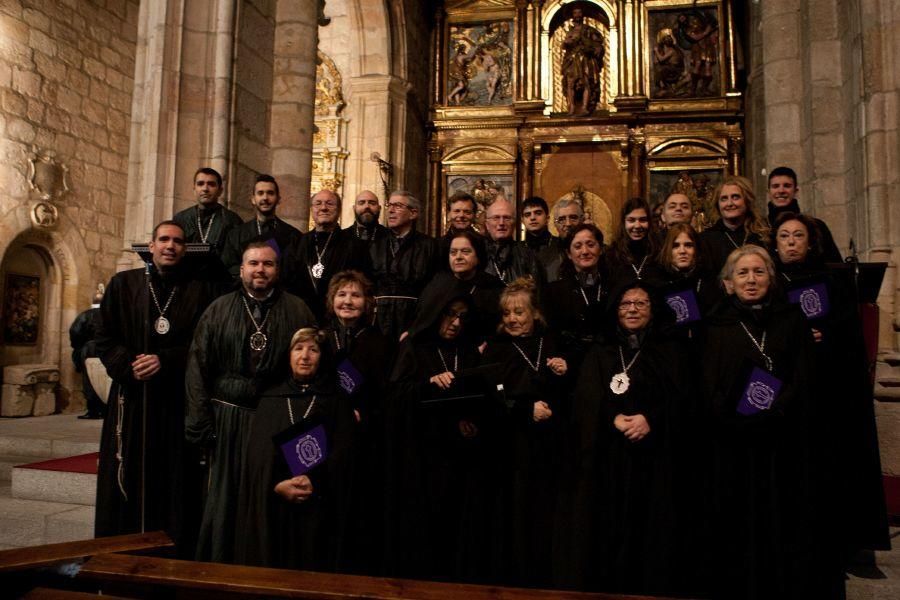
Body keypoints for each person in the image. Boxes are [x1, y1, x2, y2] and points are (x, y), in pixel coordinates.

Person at [702, 245, 832, 599]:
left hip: (783, 439)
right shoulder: (714, 325)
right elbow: (707, 383)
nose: (751, 279)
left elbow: (803, 377)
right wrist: (731, 420)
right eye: (742, 273)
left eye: (759, 272)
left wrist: (776, 411)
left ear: (771, 279)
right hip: (732, 444)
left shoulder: (792, 319)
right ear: (728, 283)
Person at [185, 241, 317, 563]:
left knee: (267, 497)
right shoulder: (218, 309)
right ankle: (219, 568)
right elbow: (198, 367)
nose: (260, 269)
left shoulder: (298, 309)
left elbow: (311, 362)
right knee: (224, 498)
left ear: (278, 270)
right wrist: (200, 423)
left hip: (274, 419)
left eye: (268, 264)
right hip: (226, 418)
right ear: (241, 269)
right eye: (254, 263)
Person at [94, 220, 215, 557]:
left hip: (175, 401)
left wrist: (166, 360)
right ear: (151, 245)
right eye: (164, 240)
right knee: (126, 478)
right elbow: (103, 337)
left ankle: (172, 558)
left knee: (174, 481)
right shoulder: (123, 285)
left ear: (184, 249)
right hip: (130, 399)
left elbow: (202, 344)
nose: (170, 246)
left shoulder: (199, 290)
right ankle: (120, 556)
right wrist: (128, 365)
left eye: (177, 241)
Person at [773, 213, 890, 562]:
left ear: (810, 242)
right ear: (775, 244)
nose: (791, 242)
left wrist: (827, 337)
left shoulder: (832, 281)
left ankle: (839, 543)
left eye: (798, 236)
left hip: (828, 389)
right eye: (784, 236)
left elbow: (850, 338)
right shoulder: (771, 283)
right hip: (787, 391)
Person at [568, 283, 695, 596]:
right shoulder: (602, 349)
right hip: (609, 458)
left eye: (641, 303)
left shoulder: (670, 349)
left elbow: (684, 398)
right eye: (625, 303)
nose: (633, 309)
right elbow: (585, 397)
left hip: (656, 460)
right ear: (615, 310)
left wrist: (651, 419)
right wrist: (610, 417)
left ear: (653, 310)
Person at [384, 293, 492, 582]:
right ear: (436, 313)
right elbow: (395, 395)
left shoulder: (469, 351)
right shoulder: (415, 345)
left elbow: (483, 396)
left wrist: (472, 421)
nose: (455, 323)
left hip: (459, 453)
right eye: (450, 315)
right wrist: (427, 383)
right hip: (421, 452)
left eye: (462, 318)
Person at [234, 327, 355, 570]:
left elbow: (345, 453)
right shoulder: (270, 400)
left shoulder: (336, 400)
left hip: (322, 507)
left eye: (313, 349)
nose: (305, 356)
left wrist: (315, 482)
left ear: (323, 356)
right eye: (298, 348)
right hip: (276, 506)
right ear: (288, 356)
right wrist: (277, 484)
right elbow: (258, 457)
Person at [482, 278, 568, 587]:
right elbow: (492, 396)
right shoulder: (494, 348)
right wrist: (524, 410)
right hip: (511, 446)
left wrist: (563, 370)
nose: (513, 319)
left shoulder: (552, 342)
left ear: (535, 314)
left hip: (549, 445)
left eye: (519, 312)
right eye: (507, 313)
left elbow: (567, 394)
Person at [321, 270, 391, 573]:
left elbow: (386, 392)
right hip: (325, 434)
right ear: (331, 300)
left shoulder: (380, 343)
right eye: (342, 295)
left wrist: (365, 412)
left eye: (355, 295)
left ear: (368, 302)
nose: (347, 301)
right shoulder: (320, 338)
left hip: (365, 439)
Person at [283, 189, 372, 319]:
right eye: (318, 204)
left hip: (339, 318)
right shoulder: (297, 244)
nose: (323, 208)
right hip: (300, 317)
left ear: (339, 210)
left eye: (330, 204)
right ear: (311, 209)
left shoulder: (355, 246)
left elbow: (363, 286)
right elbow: (286, 281)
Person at [411, 229, 505, 343]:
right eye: (453, 252)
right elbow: (422, 321)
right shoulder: (438, 283)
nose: (458, 257)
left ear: (478, 256)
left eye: (465, 251)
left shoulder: (493, 286)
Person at [369, 191, 439, 343]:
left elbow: (433, 290)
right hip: (378, 319)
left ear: (413, 213)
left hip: (412, 319)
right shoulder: (375, 244)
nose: (391, 210)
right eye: (389, 205)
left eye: (398, 206)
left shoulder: (429, 246)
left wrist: (418, 326)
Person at [545, 224, 608, 372]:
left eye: (591, 245)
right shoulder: (554, 291)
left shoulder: (613, 286)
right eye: (578, 246)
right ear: (568, 253)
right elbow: (551, 336)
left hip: (607, 364)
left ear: (601, 249)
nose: (585, 251)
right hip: (569, 365)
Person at [221, 174, 302, 278]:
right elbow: (229, 267)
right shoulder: (236, 235)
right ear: (253, 199)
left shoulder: (293, 235)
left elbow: (296, 270)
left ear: (278, 199)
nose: (265, 197)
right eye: (260, 193)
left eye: (270, 193)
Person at [657, 223, 722, 337]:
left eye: (688, 245)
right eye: (675, 246)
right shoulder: (659, 284)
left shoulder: (709, 283)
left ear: (696, 249)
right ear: (668, 249)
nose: (682, 251)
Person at [766, 166, 842, 263]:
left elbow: (835, 264)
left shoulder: (817, 226)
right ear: (769, 192)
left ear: (796, 191)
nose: (781, 191)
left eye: (787, 186)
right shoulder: (759, 227)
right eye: (775, 186)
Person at [699, 175, 770, 274]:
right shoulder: (706, 239)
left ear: (747, 201)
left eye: (735, 197)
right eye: (724, 199)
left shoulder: (762, 235)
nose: (729, 203)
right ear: (717, 204)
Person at [173, 167, 242, 252]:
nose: (205, 189)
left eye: (211, 184)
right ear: (194, 189)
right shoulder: (181, 219)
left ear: (220, 191)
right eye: (200, 184)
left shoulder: (232, 220)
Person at [603, 197, 665, 289]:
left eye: (642, 220)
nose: (637, 225)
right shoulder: (612, 255)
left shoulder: (659, 253)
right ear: (624, 223)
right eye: (631, 220)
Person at [483, 198, 544, 288]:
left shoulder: (527, 254)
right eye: (496, 218)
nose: (501, 223)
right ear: (487, 225)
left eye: (507, 218)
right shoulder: (478, 252)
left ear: (514, 224)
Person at [69, 285, 106, 419]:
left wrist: (79, 347)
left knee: (89, 380)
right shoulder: (111, 315)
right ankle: (106, 408)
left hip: (89, 351)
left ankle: (93, 410)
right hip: (107, 351)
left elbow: (75, 333)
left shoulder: (85, 315)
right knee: (105, 379)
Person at [561, 6, 604, 116]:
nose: (577, 15)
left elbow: (598, 43)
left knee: (586, 83)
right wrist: (567, 42)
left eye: (579, 12)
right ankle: (571, 107)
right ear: (573, 16)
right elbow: (564, 46)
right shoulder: (570, 31)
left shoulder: (589, 30)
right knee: (570, 83)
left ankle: (584, 107)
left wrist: (591, 47)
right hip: (572, 59)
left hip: (585, 59)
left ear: (582, 15)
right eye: (575, 13)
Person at [522, 196, 564, 282]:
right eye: (527, 214)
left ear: (547, 219)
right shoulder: (517, 249)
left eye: (538, 213)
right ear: (523, 221)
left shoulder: (561, 245)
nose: (532, 218)